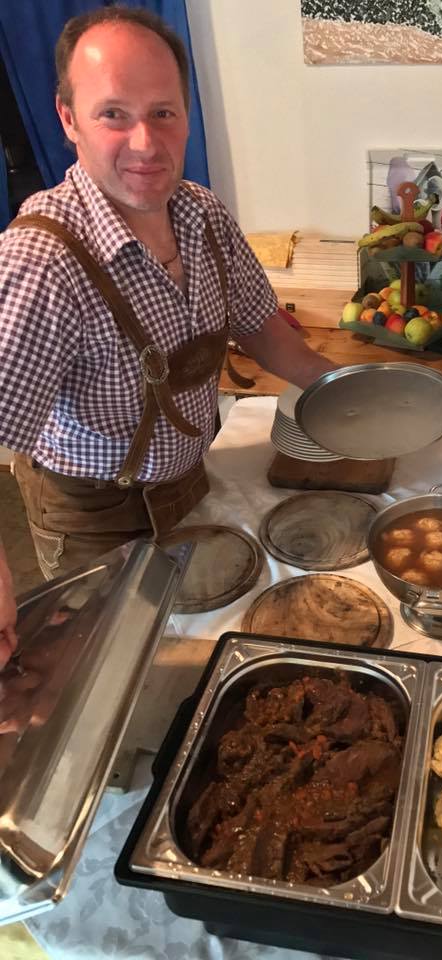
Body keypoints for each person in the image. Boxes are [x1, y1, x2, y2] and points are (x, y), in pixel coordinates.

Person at [0, 6, 337, 668]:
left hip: (188, 480)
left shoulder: (203, 214)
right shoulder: (40, 262)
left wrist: (352, 396)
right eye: (113, 114)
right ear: (68, 119)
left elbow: (268, 334)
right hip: (91, 520)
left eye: (163, 113)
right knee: (111, 676)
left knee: (195, 652)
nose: (146, 144)